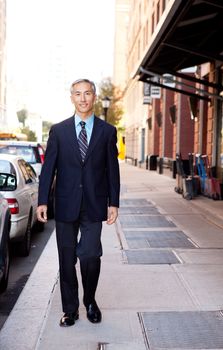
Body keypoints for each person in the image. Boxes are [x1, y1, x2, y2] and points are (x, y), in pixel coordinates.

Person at [37, 78, 120, 327]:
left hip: (94, 204)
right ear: (71, 97)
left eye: (87, 93)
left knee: (90, 255)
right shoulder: (59, 131)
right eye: (77, 94)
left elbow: (112, 170)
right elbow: (48, 169)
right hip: (65, 203)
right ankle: (69, 310)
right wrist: (42, 201)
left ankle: (91, 301)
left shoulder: (107, 131)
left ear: (94, 97)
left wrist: (113, 202)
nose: (83, 98)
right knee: (66, 258)